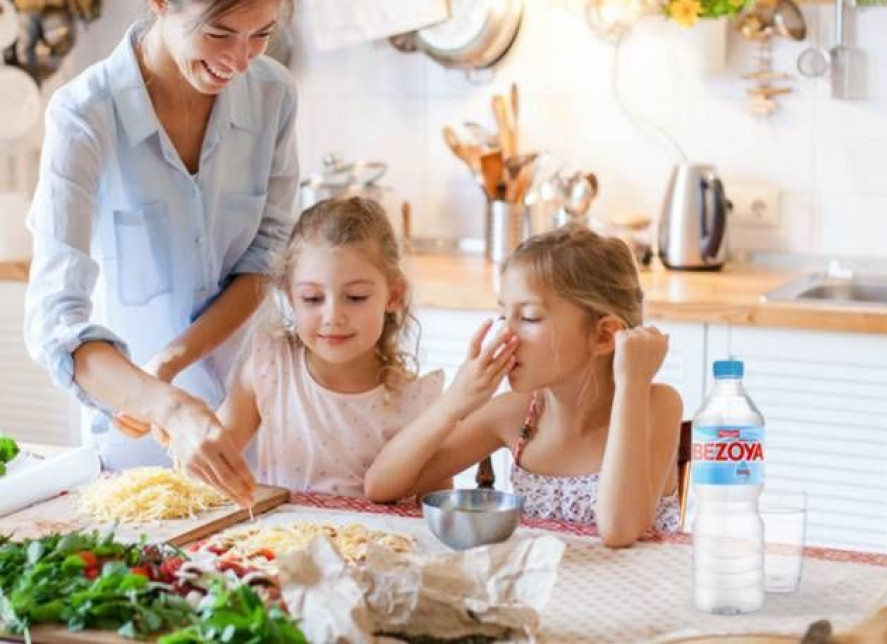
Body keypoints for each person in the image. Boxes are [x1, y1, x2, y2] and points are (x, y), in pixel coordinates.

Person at [24, 0, 299, 506]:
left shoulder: (272, 94)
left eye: (261, 34)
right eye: (219, 34)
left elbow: (267, 255)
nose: (240, 61)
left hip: (254, 427)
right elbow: (55, 323)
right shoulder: (84, 115)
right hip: (133, 445)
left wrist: (172, 360)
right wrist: (168, 407)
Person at [365, 224, 684, 547]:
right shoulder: (517, 415)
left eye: (529, 318)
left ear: (603, 335)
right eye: (504, 316)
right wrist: (452, 405)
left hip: (636, 594)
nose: (504, 335)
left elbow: (618, 529)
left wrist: (631, 382)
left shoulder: (655, 405)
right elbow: (382, 486)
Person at [216, 197, 444, 497]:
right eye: (312, 298)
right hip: (277, 543)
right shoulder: (270, 368)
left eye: (356, 297)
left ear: (394, 294)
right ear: (290, 296)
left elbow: (436, 515)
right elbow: (211, 459)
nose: (333, 316)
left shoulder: (417, 403)